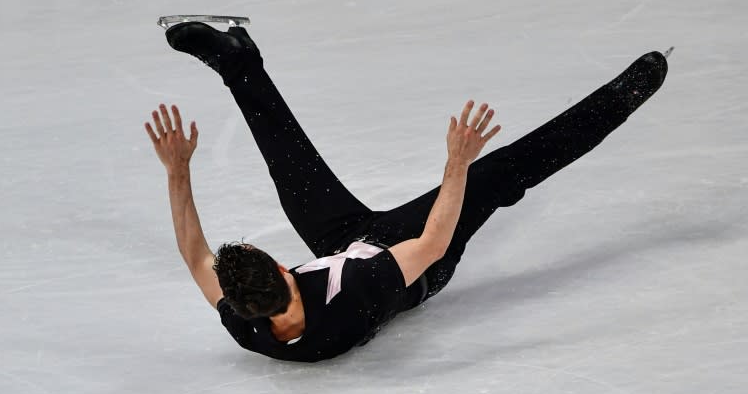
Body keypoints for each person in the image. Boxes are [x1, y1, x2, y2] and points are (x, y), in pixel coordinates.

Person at [144, 22, 668, 362]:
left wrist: (177, 171)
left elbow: (195, 256)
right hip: (413, 260)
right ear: (283, 269)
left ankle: (238, 60)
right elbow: (434, 244)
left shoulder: (249, 326)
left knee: (291, 168)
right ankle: (624, 96)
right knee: (505, 173)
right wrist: (458, 165)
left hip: (342, 244)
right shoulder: (357, 295)